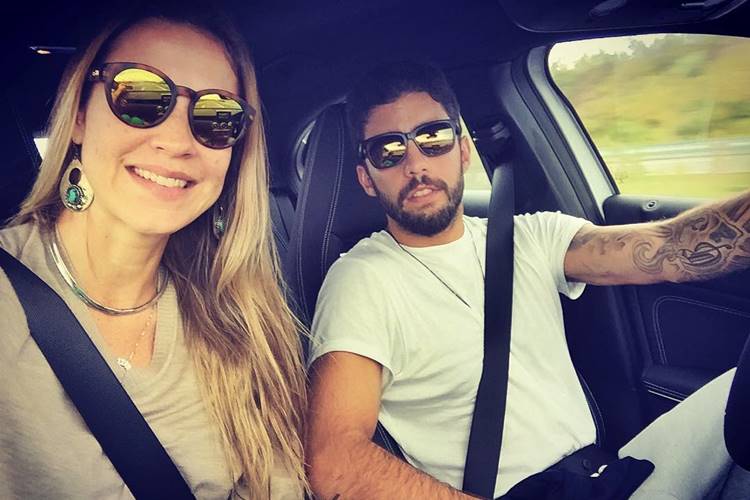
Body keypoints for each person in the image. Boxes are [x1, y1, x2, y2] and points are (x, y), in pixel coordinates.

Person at [305, 61, 750, 499]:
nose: (415, 165)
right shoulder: (361, 280)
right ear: (367, 178)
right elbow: (336, 462)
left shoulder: (532, 236)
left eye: (433, 138)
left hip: (604, 473)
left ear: (463, 151)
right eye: (388, 151)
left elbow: (669, 248)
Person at [0, 4, 306, 499]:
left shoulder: (238, 316)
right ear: (79, 116)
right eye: (140, 96)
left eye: (217, 116)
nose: (178, 141)